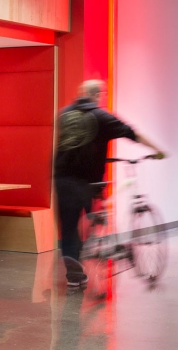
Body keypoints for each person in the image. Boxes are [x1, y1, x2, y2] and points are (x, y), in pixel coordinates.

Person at [54, 80, 166, 287]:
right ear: (98, 95)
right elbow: (132, 133)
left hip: (61, 178)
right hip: (88, 181)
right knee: (89, 216)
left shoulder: (63, 114)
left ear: (81, 93)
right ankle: (93, 242)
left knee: (68, 226)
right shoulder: (102, 116)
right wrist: (157, 150)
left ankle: (74, 271)